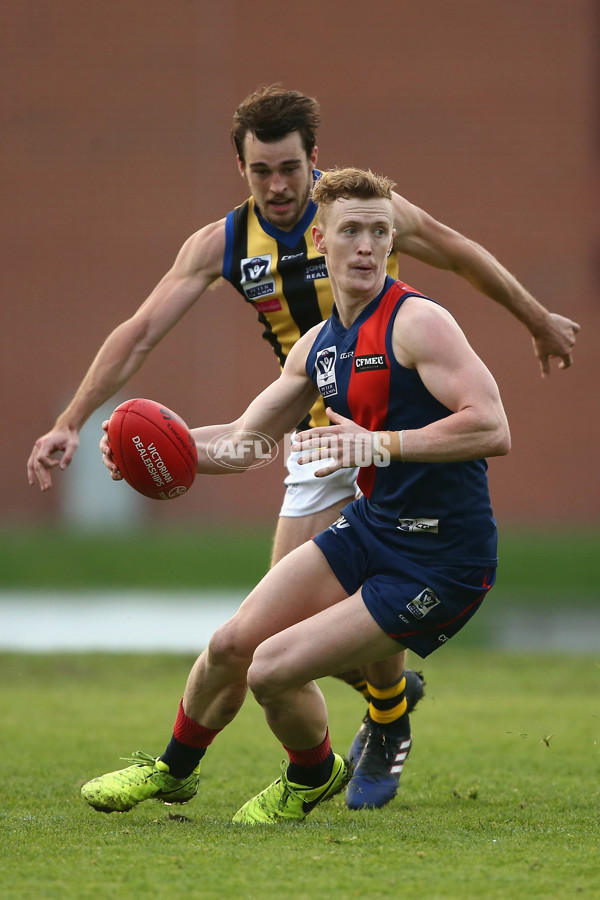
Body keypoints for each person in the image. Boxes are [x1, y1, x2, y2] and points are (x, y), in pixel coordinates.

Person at [27, 86, 578, 807]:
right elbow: (226, 419)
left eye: (291, 169)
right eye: (263, 172)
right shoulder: (261, 284)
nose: (280, 186)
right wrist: (139, 446)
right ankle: (187, 766)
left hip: (400, 473)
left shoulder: (398, 280)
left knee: (283, 656)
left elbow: (465, 281)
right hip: (323, 442)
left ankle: (381, 721)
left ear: (315, 164)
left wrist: (533, 319)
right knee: (245, 642)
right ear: (246, 173)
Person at [81, 167, 510, 823]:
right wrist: (151, 450)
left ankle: (311, 776)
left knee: (270, 670)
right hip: (373, 530)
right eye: (351, 231)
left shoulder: (420, 324)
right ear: (320, 238)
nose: (366, 246)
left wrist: (381, 444)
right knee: (231, 645)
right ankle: (172, 771)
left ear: (392, 241)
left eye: (378, 231)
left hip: (442, 558)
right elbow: (247, 441)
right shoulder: (319, 346)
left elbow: (491, 425)